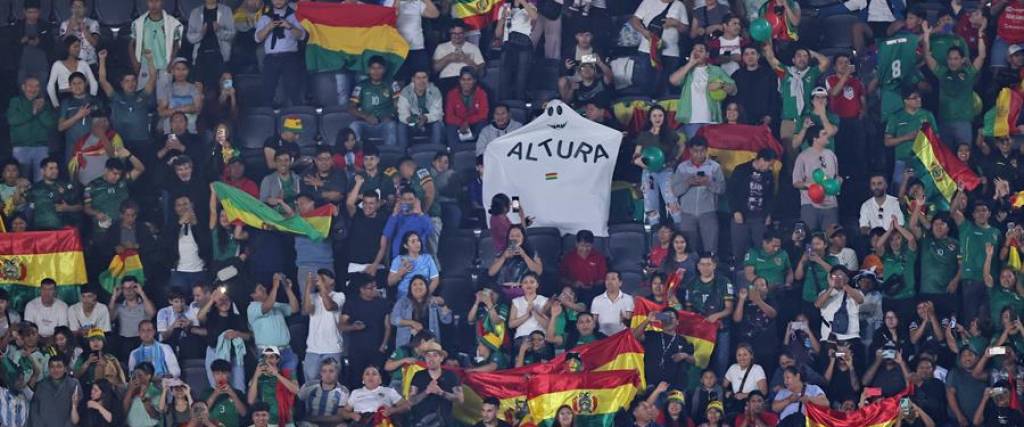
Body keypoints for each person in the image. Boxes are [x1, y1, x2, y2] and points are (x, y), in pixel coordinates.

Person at [669, 43, 737, 138]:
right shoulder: (686, 69)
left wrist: (721, 85)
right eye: (695, 50)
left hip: (712, 120)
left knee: (711, 151)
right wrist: (691, 63)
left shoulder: (716, 70)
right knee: (694, 149)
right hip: (691, 121)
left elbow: (733, 90)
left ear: (707, 54)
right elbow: (673, 80)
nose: (697, 53)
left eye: (701, 51)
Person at [672, 137, 726, 254]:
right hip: (687, 213)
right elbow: (675, 191)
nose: (698, 154)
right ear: (690, 151)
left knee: (711, 247)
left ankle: (711, 269)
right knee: (689, 248)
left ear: (706, 150)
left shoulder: (714, 167)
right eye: (695, 151)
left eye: (701, 151)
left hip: (708, 212)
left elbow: (722, 189)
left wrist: (708, 183)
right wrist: (688, 182)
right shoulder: (682, 167)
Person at [686, 253, 734, 374]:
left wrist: (716, 316)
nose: (705, 267)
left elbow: (729, 309)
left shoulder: (724, 282)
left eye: (708, 264)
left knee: (721, 361)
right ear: (697, 266)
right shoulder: (691, 284)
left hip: (721, 329)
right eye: (702, 264)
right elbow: (688, 310)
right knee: (700, 360)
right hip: (700, 330)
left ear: (714, 266)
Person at [634, 105, 682, 226]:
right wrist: (638, 161)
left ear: (664, 117)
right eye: (654, 116)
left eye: (660, 115)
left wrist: (675, 159)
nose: (657, 118)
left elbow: (682, 145)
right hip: (648, 173)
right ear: (650, 118)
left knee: (672, 201)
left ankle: (680, 230)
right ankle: (654, 232)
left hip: (666, 171)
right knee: (650, 204)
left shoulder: (670, 133)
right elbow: (636, 154)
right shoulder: (644, 135)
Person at [630, 0, 688, 97]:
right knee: (646, 86)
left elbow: (686, 30)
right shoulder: (648, 2)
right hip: (647, 51)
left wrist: (676, 23)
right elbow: (634, 20)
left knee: (667, 88)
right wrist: (644, 32)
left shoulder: (679, 5)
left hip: (671, 53)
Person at [197, 286, 250, 392]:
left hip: (234, 355)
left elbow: (249, 336)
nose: (224, 302)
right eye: (221, 300)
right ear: (216, 304)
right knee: (217, 386)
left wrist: (237, 334)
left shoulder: (236, 318)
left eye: (226, 299)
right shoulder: (211, 317)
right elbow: (200, 316)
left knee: (239, 386)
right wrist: (212, 299)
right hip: (214, 353)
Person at [254, 0, 305, 107]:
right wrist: (269, 26)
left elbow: (302, 36)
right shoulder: (265, 17)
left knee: (294, 90)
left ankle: (298, 117)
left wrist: (289, 26)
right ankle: (267, 119)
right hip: (271, 58)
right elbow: (257, 39)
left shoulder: (294, 15)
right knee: (267, 91)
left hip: (290, 57)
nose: (278, 1)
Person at [729, 149, 777, 260]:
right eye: (769, 164)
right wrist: (735, 211)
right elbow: (731, 192)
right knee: (739, 251)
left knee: (763, 250)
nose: (770, 168)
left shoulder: (769, 175)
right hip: (740, 217)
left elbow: (770, 196)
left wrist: (769, 214)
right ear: (761, 160)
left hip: (759, 219)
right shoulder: (741, 170)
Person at [883, 88, 937, 185]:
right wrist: (907, 137)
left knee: (922, 189)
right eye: (914, 98)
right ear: (906, 101)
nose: (918, 99)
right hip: (902, 160)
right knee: (898, 189)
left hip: (923, 161)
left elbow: (937, 137)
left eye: (919, 97)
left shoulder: (927, 115)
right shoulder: (896, 117)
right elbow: (887, 142)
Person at [247, 273, 299, 373]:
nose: (265, 290)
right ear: (253, 295)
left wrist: (287, 289)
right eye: (261, 289)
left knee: (289, 384)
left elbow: (294, 309)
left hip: (286, 351)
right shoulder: (252, 307)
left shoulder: (276, 305)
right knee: (270, 385)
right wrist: (275, 286)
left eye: (263, 288)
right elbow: (267, 307)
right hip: (267, 353)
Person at [792, 124, 840, 232]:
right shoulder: (803, 156)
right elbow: (795, 182)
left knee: (830, 237)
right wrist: (809, 185)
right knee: (809, 236)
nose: (827, 135)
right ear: (815, 138)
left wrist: (838, 182)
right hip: (810, 205)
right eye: (824, 134)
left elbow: (836, 176)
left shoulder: (831, 154)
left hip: (830, 205)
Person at [7, 77, 55, 182]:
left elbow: (50, 123)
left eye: (36, 86)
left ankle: (40, 199)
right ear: (23, 87)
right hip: (21, 147)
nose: (33, 89)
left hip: (41, 148)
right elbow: (12, 120)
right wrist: (33, 111)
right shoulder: (15, 101)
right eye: (30, 86)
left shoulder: (44, 103)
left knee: (42, 180)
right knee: (20, 181)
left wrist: (40, 110)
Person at [633, 308, 695, 390]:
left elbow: (694, 361)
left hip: (674, 387)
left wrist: (685, 356)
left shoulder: (682, 340)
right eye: (666, 318)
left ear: (677, 322)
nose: (668, 320)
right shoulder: (652, 335)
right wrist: (648, 320)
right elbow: (634, 336)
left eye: (671, 318)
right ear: (661, 321)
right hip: (650, 385)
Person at [407, 341, 464, 425]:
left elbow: (460, 399)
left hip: (445, 422)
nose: (431, 359)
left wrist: (441, 392)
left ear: (441, 358)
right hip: (421, 422)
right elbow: (411, 401)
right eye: (428, 355)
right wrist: (426, 391)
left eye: (435, 355)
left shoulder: (451, 376)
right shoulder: (418, 376)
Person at [348, 56, 400, 146]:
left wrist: (391, 116)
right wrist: (366, 116)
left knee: (392, 126)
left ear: (384, 70)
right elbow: (351, 107)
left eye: (379, 68)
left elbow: (399, 105)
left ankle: (390, 155)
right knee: (354, 126)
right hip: (365, 123)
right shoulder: (361, 86)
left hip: (385, 123)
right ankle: (357, 155)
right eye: (373, 68)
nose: (376, 72)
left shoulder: (392, 84)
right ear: (368, 70)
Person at [185, 0, 236, 88]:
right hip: (200, 57)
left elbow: (232, 34)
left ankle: (227, 99)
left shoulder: (226, 10)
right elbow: (190, 38)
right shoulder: (195, 12)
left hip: (222, 56)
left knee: (227, 86)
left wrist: (219, 30)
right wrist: (201, 33)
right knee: (198, 88)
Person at [246, 346, 299, 426]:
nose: (268, 360)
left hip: (287, 419)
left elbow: (296, 390)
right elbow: (251, 401)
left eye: (271, 357)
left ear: (277, 360)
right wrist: (256, 375)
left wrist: (277, 374)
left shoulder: (288, 373)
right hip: (269, 421)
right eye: (265, 357)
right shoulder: (258, 377)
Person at [496, 0, 538, 101]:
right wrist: (502, 18)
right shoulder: (504, 7)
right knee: (504, 80)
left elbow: (535, 17)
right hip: (508, 46)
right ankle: (505, 107)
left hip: (523, 46)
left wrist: (523, 3)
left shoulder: (530, 6)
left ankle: (520, 109)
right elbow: (497, 34)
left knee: (521, 80)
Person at [109, 276, 157, 360]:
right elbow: (109, 318)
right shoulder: (118, 307)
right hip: (124, 342)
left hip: (142, 340)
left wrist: (141, 293)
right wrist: (114, 297)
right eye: (125, 288)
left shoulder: (145, 304)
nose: (128, 291)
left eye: (132, 287)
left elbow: (152, 313)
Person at [297, 358, 351, 427]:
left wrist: (313, 418)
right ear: (320, 373)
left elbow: (339, 417)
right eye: (324, 371)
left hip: (331, 424)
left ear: (337, 372)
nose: (327, 374)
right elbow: (297, 406)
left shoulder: (343, 391)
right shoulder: (308, 386)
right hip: (311, 424)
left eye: (331, 371)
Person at [815, 266, 864, 342]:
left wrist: (844, 284)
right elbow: (817, 305)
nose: (837, 278)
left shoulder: (854, 291)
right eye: (834, 276)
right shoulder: (824, 293)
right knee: (836, 354)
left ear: (847, 278)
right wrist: (831, 287)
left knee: (847, 354)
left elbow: (860, 300)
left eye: (840, 275)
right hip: (829, 338)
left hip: (850, 337)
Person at [47, 36, 98, 108]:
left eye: (79, 47)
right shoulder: (57, 64)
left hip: (82, 97)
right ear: (67, 47)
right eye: (75, 46)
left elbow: (93, 82)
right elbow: (50, 86)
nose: (78, 49)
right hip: (65, 97)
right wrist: (56, 104)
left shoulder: (83, 63)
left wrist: (91, 99)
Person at [559, 230, 609, 304]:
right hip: (574, 290)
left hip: (593, 291)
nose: (585, 249)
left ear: (592, 245)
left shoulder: (599, 257)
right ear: (576, 244)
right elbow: (561, 278)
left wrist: (593, 285)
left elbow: (602, 279)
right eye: (582, 245)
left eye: (588, 246)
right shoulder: (568, 258)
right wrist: (574, 283)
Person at [397, 70, 444, 147]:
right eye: (418, 78)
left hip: (429, 122)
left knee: (438, 125)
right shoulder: (406, 91)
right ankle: (403, 154)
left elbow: (438, 113)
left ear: (428, 79)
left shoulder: (435, 91)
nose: (421, 81)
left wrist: (425, 118)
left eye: (424, 78)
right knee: (401, 126)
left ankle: (436, 153)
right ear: (413, 79)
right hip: (412, 122)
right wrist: (412, 119)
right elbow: (402, 114)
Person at [345, 366, 409, 422]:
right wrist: (351, 415)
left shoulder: (389, 391)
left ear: (380, 379)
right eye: (367, 374)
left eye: (374, 374)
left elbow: (406, 406)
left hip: (381, 421)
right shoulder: (356, 392)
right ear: (363, 380)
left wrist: (392, 410)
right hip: (361, 421)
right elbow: (344, 412)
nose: (370, 376)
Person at [444, 67, 489, 146]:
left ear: (474, 80)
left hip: (475, 123)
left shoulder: (481, 93)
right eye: (463, 80)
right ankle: (454, 153)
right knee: (450, 128)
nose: (466, 82)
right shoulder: (452, 94)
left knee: (483, 125)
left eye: (469, 79)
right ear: (459, 81)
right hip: (458, 124)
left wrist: (467, 122)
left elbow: (483, 114)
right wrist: (461, 123)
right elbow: (449, 116)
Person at [387, 231, 440, 298]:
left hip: (423, 295)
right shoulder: (398, 260)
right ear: (405, 246)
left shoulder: (428, 258)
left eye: (418, 240)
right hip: (404, 296)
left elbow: (435, 279)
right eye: (413, 241)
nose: (417, 244)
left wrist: (426, 295)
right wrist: (402, 272)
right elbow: (390, 282)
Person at [30, 357, 79, 427]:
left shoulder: (74, 384)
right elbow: (34, 410)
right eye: (52, 367)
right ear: (49, 369)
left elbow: (78, 409)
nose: (55, 370)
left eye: (59, 366)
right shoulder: (41, 385)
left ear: (65, 369)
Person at [200, 359, 247, 427]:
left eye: (224, 373)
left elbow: (244, 413)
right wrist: (215, 394)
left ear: (229, 374)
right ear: (213, 374)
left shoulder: (238, 393)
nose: (221, 376)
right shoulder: (206, 393)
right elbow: (201, 413)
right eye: (217, 373)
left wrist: (233, 395)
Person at [591, 271, 635, 336]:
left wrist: (624, 319)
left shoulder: (628, 299)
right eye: (607, 279)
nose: (609, 282)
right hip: (602, 337)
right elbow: (594, 322)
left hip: (623, 336)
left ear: (620, 283)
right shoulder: (597, 300)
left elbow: (630, 322)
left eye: (613, 279)